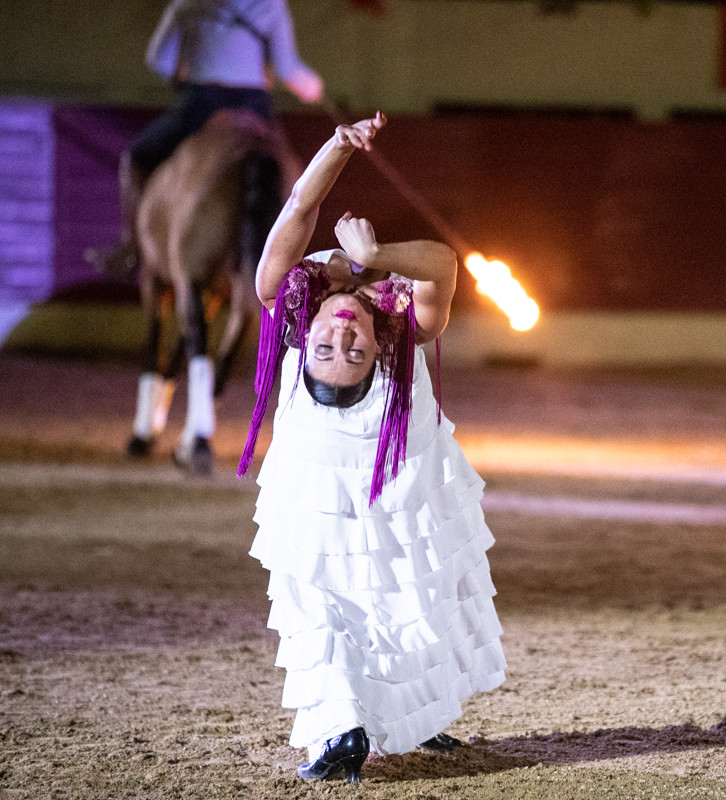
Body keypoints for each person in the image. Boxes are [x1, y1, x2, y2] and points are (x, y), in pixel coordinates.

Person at [237, 112, 506, 783]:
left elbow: (302, 206)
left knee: (414, 601)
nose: (342, 340)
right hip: (325, 478)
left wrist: (337, 145)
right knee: (322, 605)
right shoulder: (399, 324)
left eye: (331, 347)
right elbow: (441, 264)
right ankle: (342, 730)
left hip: (402, 475)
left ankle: (413, 717)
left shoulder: (288, 297)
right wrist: (374, 258)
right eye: (342, 352)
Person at [98, 0, 324, 274]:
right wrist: (312, 87)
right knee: (298, 176)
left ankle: (132, 246)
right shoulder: (271, 4)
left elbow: (159, 60)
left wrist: (189, 64)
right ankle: (307, 248)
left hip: (202, 103)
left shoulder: (187, 4)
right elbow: (288, 68)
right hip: (254, 105)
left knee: (135, 159)